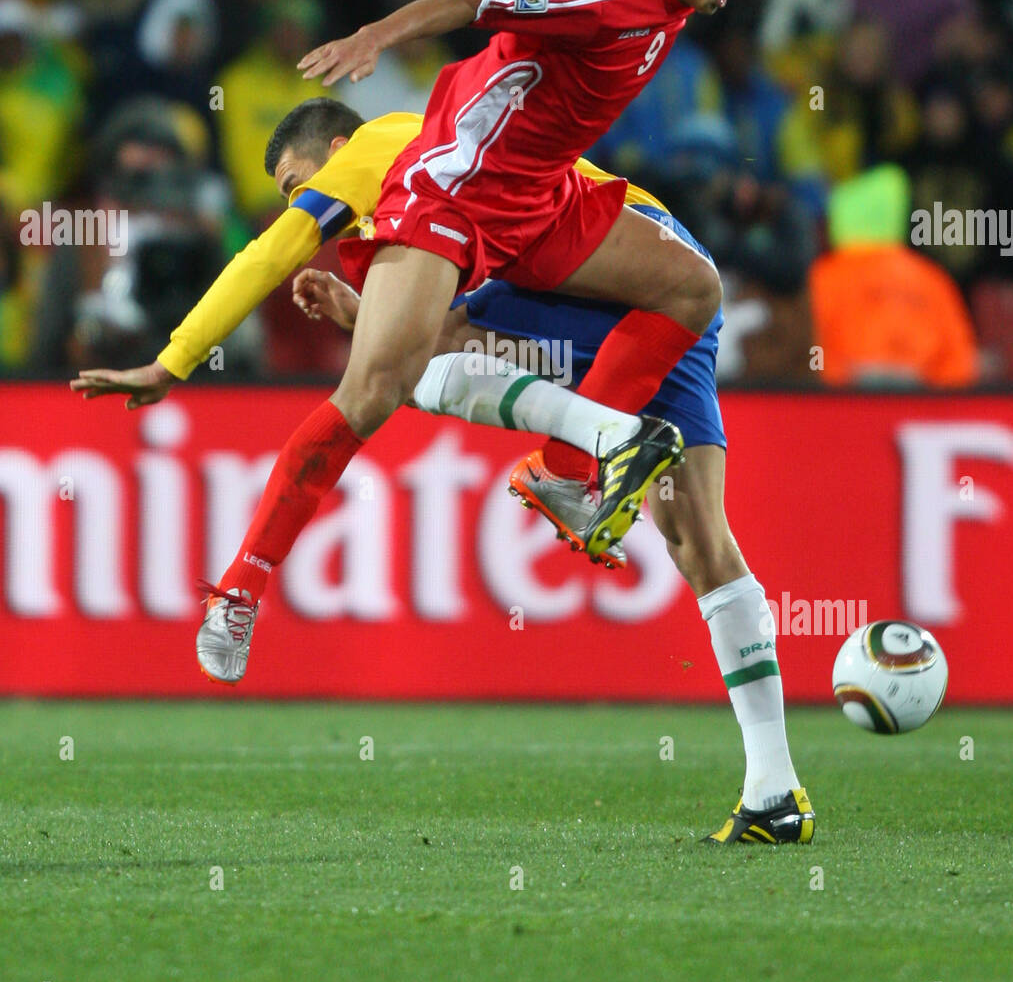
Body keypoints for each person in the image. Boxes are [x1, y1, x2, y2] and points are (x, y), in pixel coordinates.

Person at [77, 0, 768, 717]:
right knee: (371, 394)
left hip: (545, 194)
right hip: (457, 198)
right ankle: (240, 591)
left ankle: (566, 473)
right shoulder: (584, 10)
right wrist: (373, 40)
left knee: (692, 286)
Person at [73, 96, 814, 846]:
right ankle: (774, 789)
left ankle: (582, 461)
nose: (304, 205)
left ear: (335, 146)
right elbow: (442, 314)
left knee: (407, 379)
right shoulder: (431, 184)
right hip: (653, 292)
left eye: (299, 183)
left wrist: (173, 360)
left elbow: (269, 254)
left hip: (617, 270)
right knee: (702, 548)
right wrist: (367, 313)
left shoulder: (374, 146)